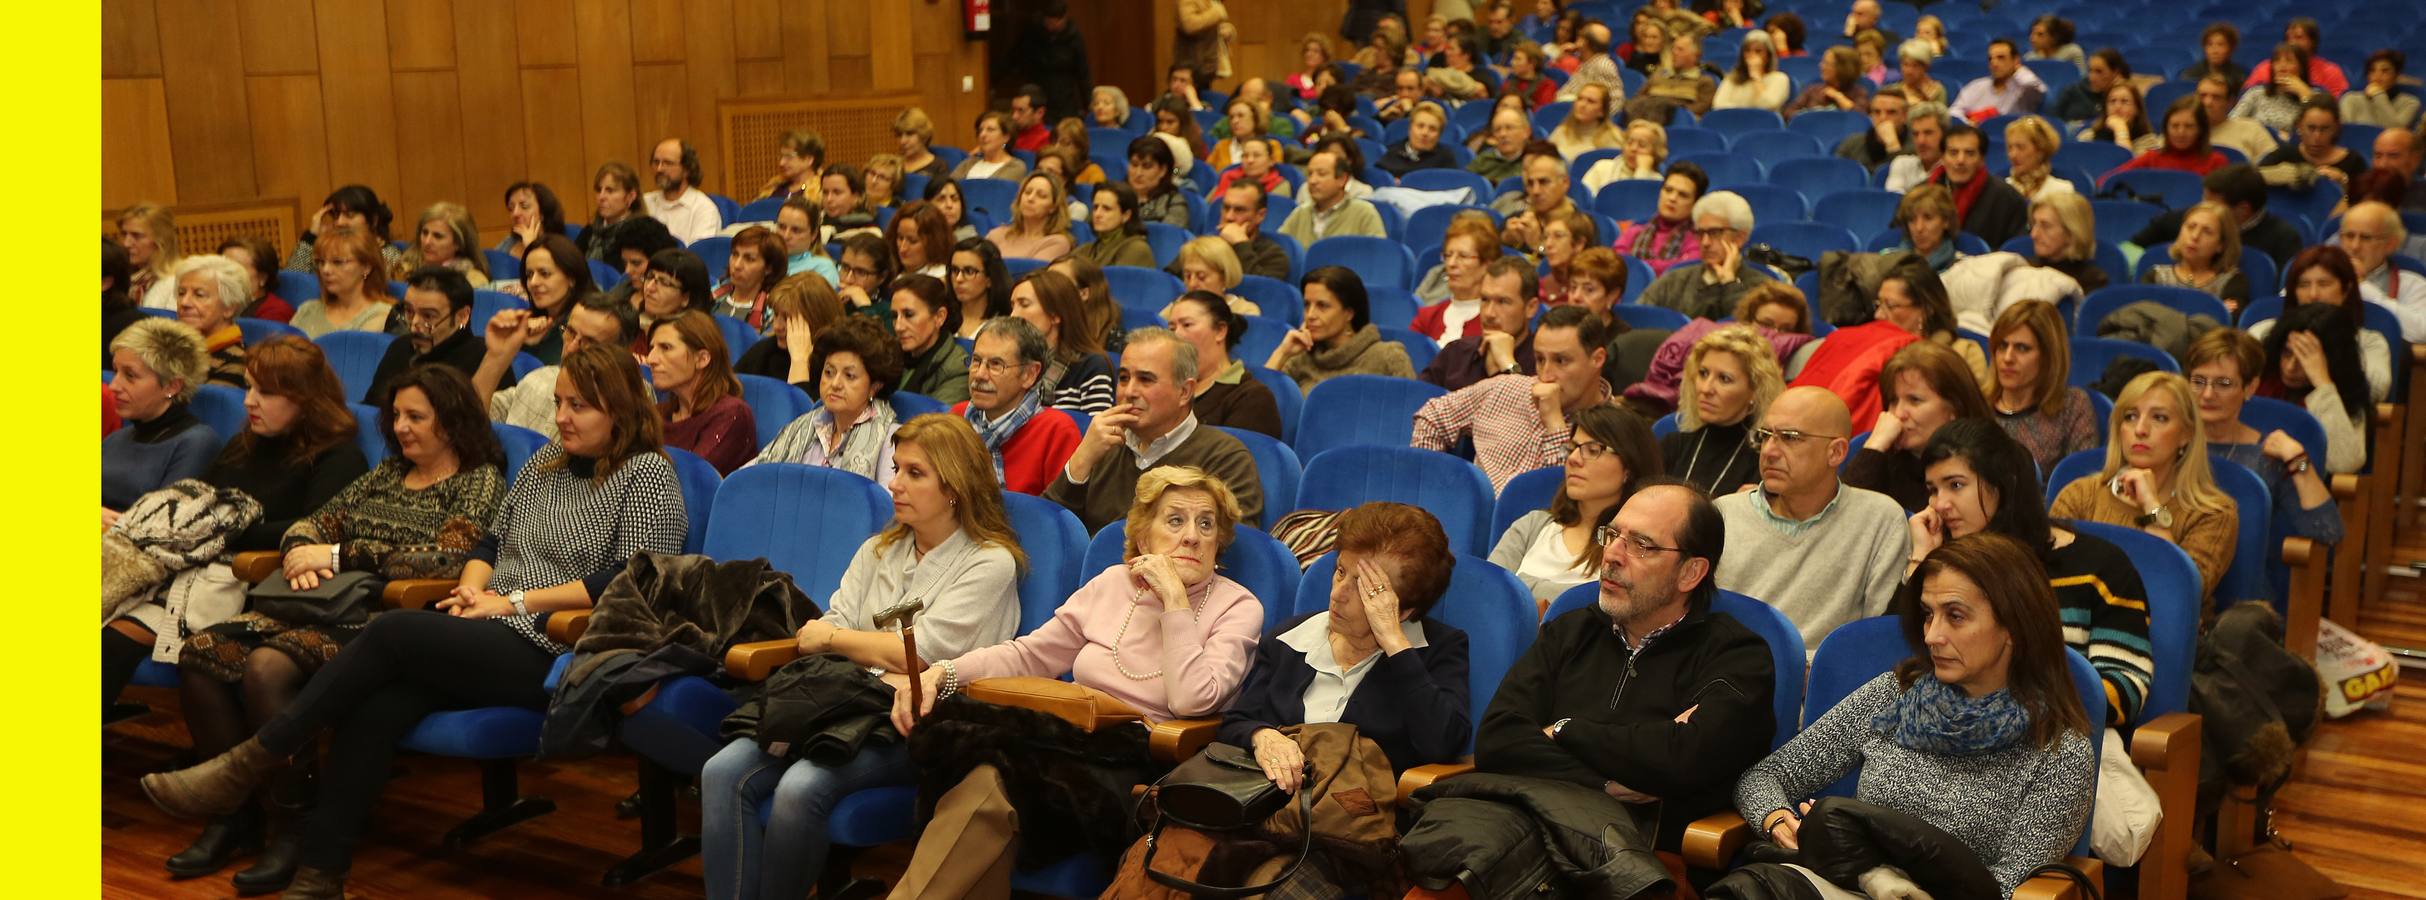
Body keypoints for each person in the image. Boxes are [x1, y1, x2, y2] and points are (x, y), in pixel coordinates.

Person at [137, 343, 688, 899]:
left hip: (557, 647)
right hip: (486, 625)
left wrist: (511, 603)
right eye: (561, 402)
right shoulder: (546, 467)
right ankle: (319, 873)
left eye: (580, 407)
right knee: (376, 709)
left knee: (391, 630)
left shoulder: (647, 476)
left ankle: (251, 760)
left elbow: (629, 581)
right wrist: (473, 590)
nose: (562, 417)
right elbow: (491, 541)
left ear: (619, 410)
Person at [880, 465, 1262, 898]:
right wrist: (943, 673)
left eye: (1205, 523)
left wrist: (1174, 600)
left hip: (1144, 764)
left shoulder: (1238, 606)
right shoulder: (1112, 584)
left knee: (989, 781)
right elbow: (1030, 654)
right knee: (985, 779)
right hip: (1065, 741)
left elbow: (1193, 701)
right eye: (1175, 520)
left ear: (1218, 542)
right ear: (1143, 540)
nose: (1192, 535)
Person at [701, 414, 1024, 900]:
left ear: (955, 487)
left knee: (799, 788)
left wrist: (840, 644)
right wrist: (850, 645)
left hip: (919, 721)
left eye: (915, 473)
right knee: (721, 772)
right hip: (836, 703)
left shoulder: (989, 562)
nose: (894, 484)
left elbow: (918, 655)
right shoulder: (879, 549)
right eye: (896, 468)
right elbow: (833, 621)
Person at [1726, 532, 2095, 897]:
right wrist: (1778, 821)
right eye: (1928, 615)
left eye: (1955, 616)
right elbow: (1765, 776)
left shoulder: (2059, 751)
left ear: (2015, 626)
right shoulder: (1896, 695)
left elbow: (2006, 889)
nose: (1933, 635)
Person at [1461, 480, 1776, 854]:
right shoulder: (1571, 630)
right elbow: (1498, 740)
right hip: (1520, 831)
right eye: (1612, 535)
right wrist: (1606, 783)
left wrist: (1564, 729)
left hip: (1632, 860)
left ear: (1690, 573)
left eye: (1641, 545)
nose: (1611, 555)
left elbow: (1684, 760)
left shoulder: (1737, 655)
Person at [103, 339, 369, 722]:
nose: (249, 402)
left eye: (266, 392)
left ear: (306, 399)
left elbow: (313, 531)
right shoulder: (244, 444)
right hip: (192, 571)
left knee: (111, 642)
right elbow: (199, 508)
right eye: (248, 387)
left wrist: (223, 530)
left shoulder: (339, 457)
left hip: (254, 584)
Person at [1224, 502, 1473, 795]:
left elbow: (1442, 745)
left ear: (1403, 609)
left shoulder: (1436, 650)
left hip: (1356, 822)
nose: (1338, 594)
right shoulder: (1291, 638)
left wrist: (1395, 644)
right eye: (1341, 572)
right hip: (1266, 805)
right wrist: (1262, 736)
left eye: (1365, 587)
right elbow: (1235, 723)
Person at [1713, 387, 1913, 647]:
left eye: (1790, 437)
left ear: (1836, 452)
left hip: (1824, 680)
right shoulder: (1724, 514)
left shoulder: (1880, 519)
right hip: (1728, 673)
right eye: (1765, 436)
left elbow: (1874, 639)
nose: (1770, 451)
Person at [1045, 327, 1265, 532]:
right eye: (1123, 378)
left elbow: (1229, 548)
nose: (1129, 391)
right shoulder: (1104, 445)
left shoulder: (1226, 458)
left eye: (1145, 379)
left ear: (1185, 392)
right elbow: (1049, 533)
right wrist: (1081, 460)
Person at [2050, 371, 2240, 598]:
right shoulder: (2079, 495)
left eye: (2159, 418)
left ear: (2186, 435)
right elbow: (2047, 576)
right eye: (2130, 417)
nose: (2140, 429)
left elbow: (2182, 595)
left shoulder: (2213, 514)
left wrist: (2152, 507)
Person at [1414, 306, 1615, 492]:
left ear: (1597, 359)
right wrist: (1436, 487)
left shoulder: (1614, 429)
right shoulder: (1507, 387)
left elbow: (1556, 498)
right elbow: (1432, 415)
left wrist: (1555, 425)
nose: (1546, 374)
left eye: (1561, 361)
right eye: (1540, 359)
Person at [1491, 405, 1664, 603]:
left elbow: (1601, 608)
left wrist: (1524, 587)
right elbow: (1489, 591)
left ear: (1629, 468)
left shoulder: (1632, 548)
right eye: (1572, 449)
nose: (1573, 459)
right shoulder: (1533, 525)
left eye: (1592, 450)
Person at [2186, 329, 2344, 545]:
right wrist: (2153, 514)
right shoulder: (2168, 444)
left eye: (2223, 383)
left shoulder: (2269, 456)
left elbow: (2328, 531)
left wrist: (2299, 461)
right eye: (2198, 381)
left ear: (2250, 388)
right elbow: (2143, 519)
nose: (2207, 394)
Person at [748, 316, 906, 484]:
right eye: (829, 372)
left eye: (849, 376)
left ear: (875, 386)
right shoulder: (805, 424)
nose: (835, 384)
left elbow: (889, 505)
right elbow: (750, 474)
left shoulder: (890, 440)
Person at [1845, 341, 1994, 511]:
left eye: (1914, 400)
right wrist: (1874, 447)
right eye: (1893, 401)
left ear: (1955, 407)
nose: (1899, 413)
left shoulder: (1987, 465)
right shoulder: (1877, 457)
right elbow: (1841, 523)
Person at [953, 317, 1084, 495]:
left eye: (996, 365)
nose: (980, 375)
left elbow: (1058, 516)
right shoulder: (958, 416)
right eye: (976, 361)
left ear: (1029, 374)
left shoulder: (1056, 431)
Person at [104, 318, 220, 518]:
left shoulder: (196, 443)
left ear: (171, 386)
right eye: (116, 372)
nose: (114, 386)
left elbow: (163, 522)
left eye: (130, 375)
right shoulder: (117, 439)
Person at [2253, 245, 2393, 404]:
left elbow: (2375, 392)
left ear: (2346, 289)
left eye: (2324, 284)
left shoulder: (2369, 341)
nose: (2313, 295)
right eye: (2304, 285)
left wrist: (2327, 364)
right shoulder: (2263, 330)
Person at [2253, 302, 2373, 474]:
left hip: (2302, 483)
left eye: (2304, 358)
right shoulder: (2258, 377)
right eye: (2287, 353)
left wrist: (2322, 384)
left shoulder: (2346, 394)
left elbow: (2345, 464)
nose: (2290, 367)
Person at [1984, 300, 2098, 475]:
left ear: (2048, 356)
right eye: (2002, 346)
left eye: (2022, 348)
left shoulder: (2072, 405)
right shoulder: (1978, 404)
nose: (2007, 358)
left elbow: (2081, 486)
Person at [1663, 325, 1778, 496]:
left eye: (1724, 379)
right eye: (1703, 373)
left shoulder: (1767, 460)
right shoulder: (1673, 445)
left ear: (1755, 391)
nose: (1706, 389)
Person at [1268, 266, 1418, 389]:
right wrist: (1282, 353)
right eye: (1307, 305)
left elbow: (1410, 414)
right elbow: (1256, 403)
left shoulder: (1388, 356)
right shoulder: (1301, 357)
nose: (1310, 315)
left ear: (1349, 313)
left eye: (1322, 306)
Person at [644, 311, 757, 475]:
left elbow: (693, 480)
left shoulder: (732, 415)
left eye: (666, 348)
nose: (650, 359)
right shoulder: (657, 414)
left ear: (702, 359)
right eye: (652, 348)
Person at [365, 267, 495, 406]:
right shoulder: (400, 348)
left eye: (428, 316)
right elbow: (372, 409)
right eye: (409, 312)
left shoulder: (486, 358)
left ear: (462, 316)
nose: (415, 323)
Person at [1641, 191, 1777, 319]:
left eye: (1714, 233)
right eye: (1700, 233)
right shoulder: (1673, 281)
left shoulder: (1762, 288)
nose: (1705, 242)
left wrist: (1729, 282)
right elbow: (1638, 321)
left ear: (1739, 238)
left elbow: (1746, 330)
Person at [1423, 256, 1542, 392]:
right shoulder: (1456, 353)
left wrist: (1508, 364)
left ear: (1531, 308)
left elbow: (1531, 409)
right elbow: (1417, 404)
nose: (1489, 313)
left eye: (1503, 302)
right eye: (1485, 299)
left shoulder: (1544, 362)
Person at [1007, 269, 1115, 414]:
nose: (1013, 315)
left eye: (1024, 304)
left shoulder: (1092, 366)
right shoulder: (1012, 362)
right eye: (1013, 306)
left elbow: (1100, 431)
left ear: (1055, 315)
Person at [734, 271, 848, 390]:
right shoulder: (765, 351)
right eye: (776, 315)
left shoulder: (835, 364)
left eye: (788, 319)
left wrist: (799, 362)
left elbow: (805, 408)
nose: (777, 326)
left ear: (816, 319)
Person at [1926, 124, 2028, 247]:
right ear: (1943, 157)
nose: (1960, 160)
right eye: (1953, 153)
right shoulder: (1923, 192)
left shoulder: (2007, 198)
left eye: (1969, 153)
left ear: (1982, 159)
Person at [2336, 202, 2426, 341]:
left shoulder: (2411, 284)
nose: (2354, 246)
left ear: (2391, 245)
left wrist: (2363, 287)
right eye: (2349, 236)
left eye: (2366, 238)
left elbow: (2421, 333)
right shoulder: (2319, 278)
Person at [2140, 200, 2251, 312]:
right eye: (2191, 227)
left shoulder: (2232, 282)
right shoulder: (2155, 276)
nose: (2195, 236)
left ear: (2220, 245)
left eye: (2207, 232)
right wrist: (2213, 309)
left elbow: (2227, 323)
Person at [288, 232, 393, 339]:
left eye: (337, 262)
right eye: (321, 262)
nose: (325, 270)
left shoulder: (382, 315)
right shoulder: (307, 311)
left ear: (366, 267)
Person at [1412, 214, 1501, 338]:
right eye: (1448, 255)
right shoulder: (1427, 317)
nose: (1451, 263)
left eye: (1463, 256)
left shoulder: (1496, 320)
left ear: (1487, 264)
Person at [282, 185, 403, 276]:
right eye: (335, 216)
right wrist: (311, 235)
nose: (339, 223)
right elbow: (293, 282)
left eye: (349, 215)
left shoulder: (388, 256)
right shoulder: (326, 254)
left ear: (373, 220)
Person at [1615, 162, 1709, 277]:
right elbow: (1614, 264)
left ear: (1696, 203)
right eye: (1668, 190)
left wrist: (1636, 265)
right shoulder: (1634, 232)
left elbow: (1678, 273)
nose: (1672, 198)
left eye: (1683, 195)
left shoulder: (1698, 241)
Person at [1278, 149, 1387, 247]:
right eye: (1310, 174)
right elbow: (1280, 247)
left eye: (1321, 174)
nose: (1312, 181)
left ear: (1342, 179)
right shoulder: (1300, 213)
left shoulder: (1364, 212)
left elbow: (1377, 256)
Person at [173, 255, 252, 388]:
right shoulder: (172, 347)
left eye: (199, 295)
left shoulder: (236, 364)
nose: (184, 303)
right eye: (181, 293)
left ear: (229, 308)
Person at [891, 273, 971, 405]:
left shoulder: (957, 369)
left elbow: (935, 423)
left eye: (909, 315)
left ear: (939, 317)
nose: (899, 326)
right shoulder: (888, 355)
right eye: (894, 316)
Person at [2260, 101, 2367, 188]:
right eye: (2311, 128)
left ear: (2335, 129)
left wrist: (2343, 180)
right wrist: (2285, 174)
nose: (2317, 137)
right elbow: (2253, 178)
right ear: (2299, 127)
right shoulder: (2285, 154)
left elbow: (2367, 202)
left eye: (2324, 129)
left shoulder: (2353, 161)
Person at [2239, 18, 2349, 98]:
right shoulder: (2266, 67)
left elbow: (2336, 108)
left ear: (2312, 42)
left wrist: (2304, 92)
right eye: (2288, 37)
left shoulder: (2330, 71)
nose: (2292, 42)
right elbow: (2245, 95)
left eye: (2299, 37)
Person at [2023, 193, 2107, 294]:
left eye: (2046, 226)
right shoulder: (2023, 268)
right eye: (2033, 224)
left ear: (2072, 233)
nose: (2034, 235)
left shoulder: (2092, 282)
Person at [643, 138, 724, 244]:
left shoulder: (703, 209)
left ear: (687, 169)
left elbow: (698, 256)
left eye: (668, 163)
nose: (659, 169)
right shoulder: (645, 202)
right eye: (656, 162)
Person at [710, 226, 790, 334]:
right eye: (735, 254)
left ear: (768, 268)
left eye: (749, 259)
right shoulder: (712, 295)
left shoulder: (774, 310)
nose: (737, 265)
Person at [2231, 43, 2325, 134]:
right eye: (2277, 60)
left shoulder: (2316, 95)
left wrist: (2304, 94)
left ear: (2301, 68)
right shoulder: (2257, 93)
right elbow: (2231, 124)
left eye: (2289, 60)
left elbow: (2317, 131)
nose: (2282, 65)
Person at [393, 202, 491, 287]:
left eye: (438, 236)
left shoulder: (473, 280)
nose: (427, 242)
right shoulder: (405, 269)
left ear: (459, 244)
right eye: (425, 233)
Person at [1949, 39, 2048, 119]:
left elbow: (2038, 88)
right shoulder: (1976, 85)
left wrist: (2019, 69)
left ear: (2016, 60)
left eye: (2001, 58)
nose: (1994, 63)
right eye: (1990, 58)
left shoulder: (2023, 88)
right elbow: (1953, 112)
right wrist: (1968, 123)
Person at [577, 161, 651, 263]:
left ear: (631, 196)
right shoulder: (590, 232)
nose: (601, 197)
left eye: (610, 191)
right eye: (599, 190)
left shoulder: (642, 234)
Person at [1071, 182, 1154, 271]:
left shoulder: (1137, 249)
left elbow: (1115, 283)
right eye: (1095, 207)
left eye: (1106, 209)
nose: (1097, 214)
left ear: (1126, 215)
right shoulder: (1086, 250)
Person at [1636, 33, 1721, 120]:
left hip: (1680, 123)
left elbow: (1701, 109)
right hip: (1648, 119)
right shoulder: (1658, 75)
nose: (1674, 52)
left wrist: (1669, 111)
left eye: (1680, 49)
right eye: (1673, 48)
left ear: (1695, 56)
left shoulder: (1705, 81)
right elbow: (1638, 99)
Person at [636, 248, 714, 340]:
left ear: (686, 298)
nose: (649, 287)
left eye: (664, 282)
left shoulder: (690, 342)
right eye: (649, 276)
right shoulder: (636, 325)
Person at [118, 202, 184, 310]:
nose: (126, 243)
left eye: (137, 236)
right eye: (124, 234)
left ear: (161, 240)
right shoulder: (121, 280)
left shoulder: (178, 281)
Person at [216, 235, 296, 324]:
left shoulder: (275, 313)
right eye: (222, 267)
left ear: (262, 278)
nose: (224, 275)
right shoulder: (212, 306)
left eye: (235, 269)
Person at [1890, 184, 1965, 273]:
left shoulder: (1961, 267)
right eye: (1911, 219)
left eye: (1928, 218)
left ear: (1946, 221)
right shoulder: (1889, 261)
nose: (1919, 228)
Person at [1712, 30, 1790, 111]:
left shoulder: (1779, 78)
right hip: (1732, 122)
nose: (1752, 55)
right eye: (1747, 51)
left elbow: (1768, 105)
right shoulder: (1732, 78)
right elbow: (1718, 105)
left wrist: (1756, 77)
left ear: (1768, 56)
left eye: (1758, 51)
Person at [2004, 116, 2074, 205]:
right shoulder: (2001, 190)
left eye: (2021, 147)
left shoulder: (2061, 191)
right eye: (2010, 148)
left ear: (2040, 151)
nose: (2012, 155)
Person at [1379, 101, 1461, 177]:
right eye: (1420, 126)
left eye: (1432, 129)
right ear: (1410, 128)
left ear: (1439, 134)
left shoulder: (1446, 158)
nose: (1425, 133)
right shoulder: (1392, 152)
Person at [1536, 209, 1598, 308]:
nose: (1548, 244)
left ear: (1579, 244)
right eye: (1545, 237)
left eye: (1558, 236)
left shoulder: (1594, 291)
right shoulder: (1537, 287)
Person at [1782, 46, 1869, 118]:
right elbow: (1789, 112)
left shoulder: (1859, 93)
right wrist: (1808, 115)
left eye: (1827, 63)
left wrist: (1838, 97)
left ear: (1842, 68)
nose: (1821, 66)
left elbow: (1860, 117)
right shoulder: (1813, 90)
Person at [2342, 51, 2420, 129]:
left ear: (2396, 75)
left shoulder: (2410, 103)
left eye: (2385, 71)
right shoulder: (2351, 99)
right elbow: (2346, 133)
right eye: (2372, 70)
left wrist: (2378, 95)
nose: (2377, 76)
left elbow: (2394, 131)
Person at [1584, 119, 1669, 190]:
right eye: (1629, 142)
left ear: (1655, 152)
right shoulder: (1602, 168)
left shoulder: (1658, 182)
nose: (1633, 148)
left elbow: (1634, 203)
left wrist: (1642, 171)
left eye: (1642, 145)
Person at [1882, 102, 1949, 193]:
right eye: (1915, 134)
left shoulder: (1954, 168)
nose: (1921, 141)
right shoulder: (1902, 164)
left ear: (1944, 134)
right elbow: (1894, 202)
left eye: (1928, 133)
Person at [2077, 81, 2158, 155]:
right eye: (2112, 101)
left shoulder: (2149, 142)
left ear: (2137, 109)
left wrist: (2120, 129)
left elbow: (2127, 167)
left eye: (2125, 101)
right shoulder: (2088, 137)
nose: (2117, 107)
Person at [1550, 82, 1625, 160]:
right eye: (1580, 99)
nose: (1582, 105)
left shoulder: (1613, 139)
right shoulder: (1562, 131)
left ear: (1602, 111)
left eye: (1591, 101)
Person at [949, 111, 1028, 183]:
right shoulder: (968, 163)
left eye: (990, 130)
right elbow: (949, 186)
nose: (982, 135)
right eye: (980, 130)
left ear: (1006, 137)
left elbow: (994, 192)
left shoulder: (1015, 167)